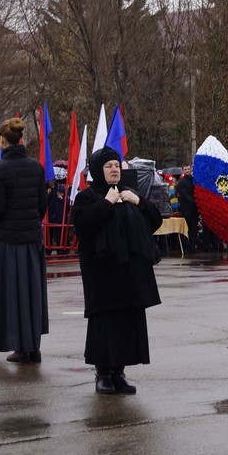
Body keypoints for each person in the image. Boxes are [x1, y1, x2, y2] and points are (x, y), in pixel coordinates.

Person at [72, 148, 162, 394]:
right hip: (102, 273)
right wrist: (106, 203)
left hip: (129, 273)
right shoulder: (86, 197)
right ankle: (103, 373)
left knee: (126, 322)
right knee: (105, 323)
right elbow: (82, 226)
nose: (114, 169)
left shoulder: (129, 192)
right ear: (97, 171)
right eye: (108, 166)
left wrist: (139, 201)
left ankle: (119, 372)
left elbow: (155, 222)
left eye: (116, 165)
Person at [0, 118, 48, 364]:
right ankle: (33, 347)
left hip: (8, 241)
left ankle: (19, 346)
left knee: (12, 295)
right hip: (32, 238)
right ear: (22, 140)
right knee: (31, 294)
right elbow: (42, 206)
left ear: (2, 141)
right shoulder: (36, 167)